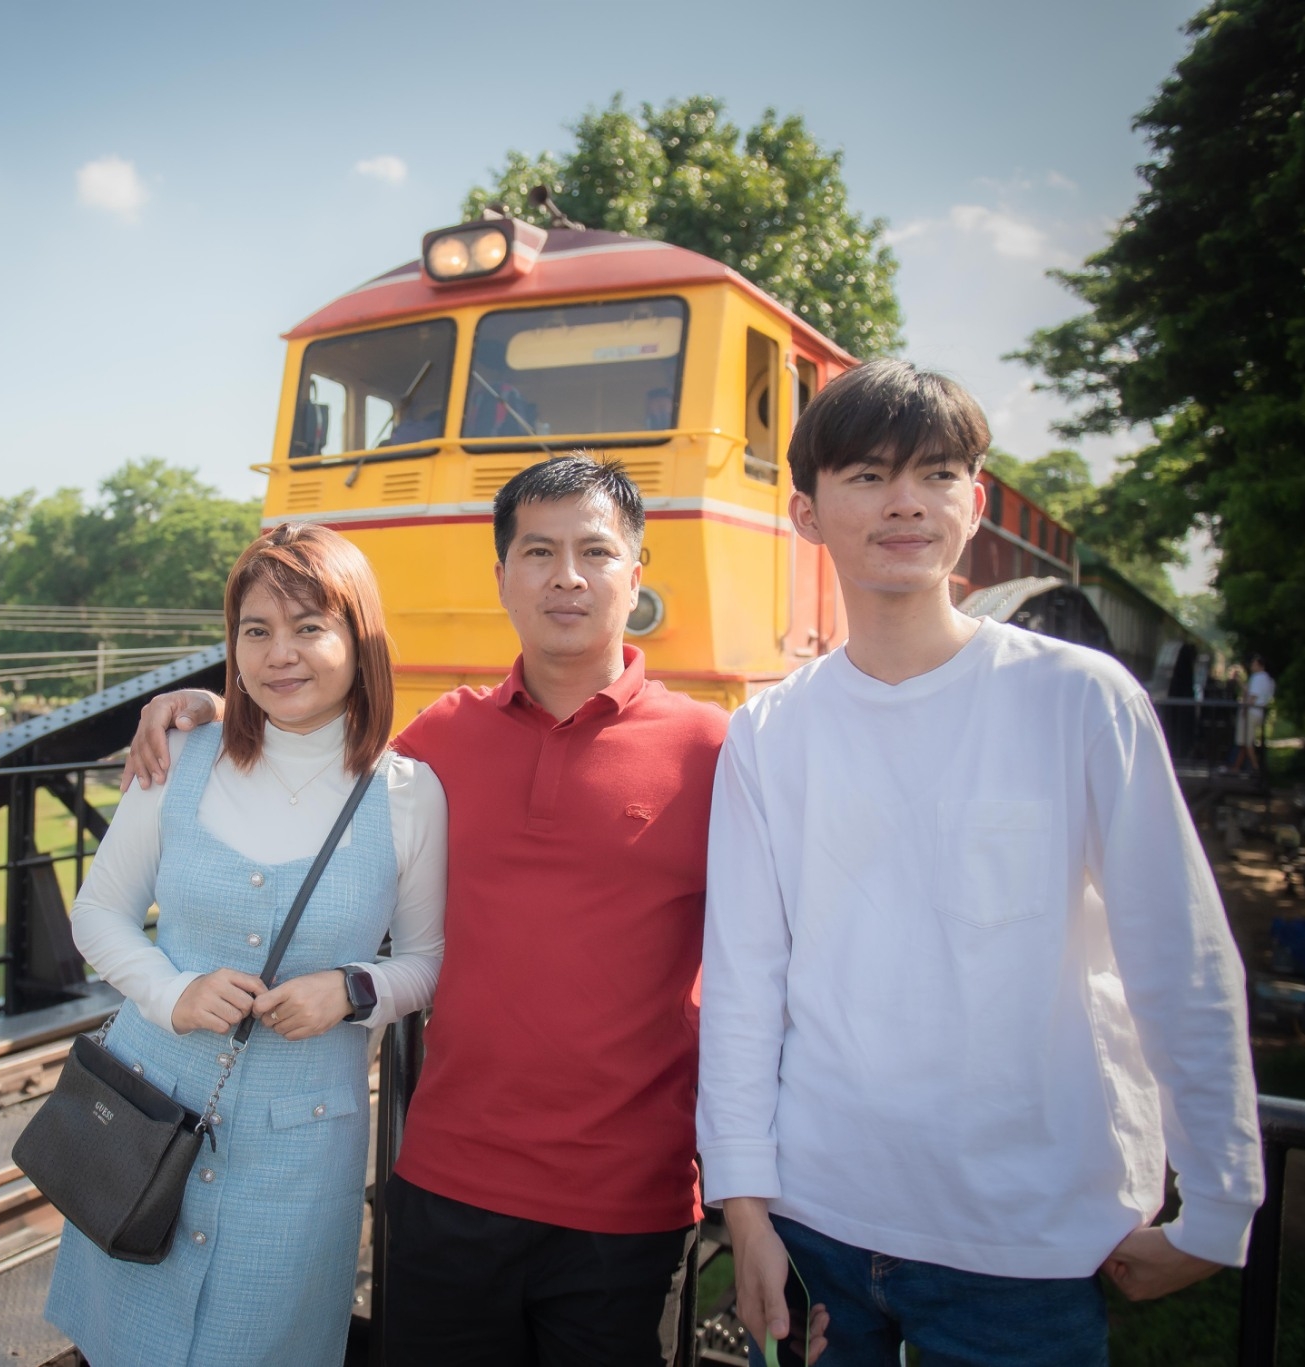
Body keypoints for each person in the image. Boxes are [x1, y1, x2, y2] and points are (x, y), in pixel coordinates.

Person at [125, 456, 818, 1366]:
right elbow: (317, 757)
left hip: (629, 1206)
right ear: (501, 576)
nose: (567, 576)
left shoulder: (714, 750)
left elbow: (768, 978)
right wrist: (216, 708)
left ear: (636, 572)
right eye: (538, 552)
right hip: (446, 1186)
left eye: (595, 552)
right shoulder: (439, 741)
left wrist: (756, 1200)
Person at [698, 360, 1263, 1367]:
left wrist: (1220, 1204)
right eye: (867, 475)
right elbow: (745, 981)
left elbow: (1176, 952)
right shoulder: (770, 732)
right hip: (818, 1221)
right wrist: (744, 1203)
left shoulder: (1079, 698)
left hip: (1027, 1239)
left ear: (976, 501)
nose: (905, 502)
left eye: (937, 473)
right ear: (805, 512)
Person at [43, 523, 448, 1367]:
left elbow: (426, 960)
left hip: (299, 1154)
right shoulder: (182, 755)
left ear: (360, 638)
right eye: (255, 629)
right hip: (146, 1120)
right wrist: (173, 992)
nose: (279, 653)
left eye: (309, 627)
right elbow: (100, 913)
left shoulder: (406, 794)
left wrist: (352, 990)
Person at [1232, 657, 1275, 775]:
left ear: (1260, 666)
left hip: (1251, 712)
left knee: (1247, 742)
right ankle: (1236, 767)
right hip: (1258, 713)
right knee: (1245, 742)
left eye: (1254, 664)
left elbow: (1253, 697)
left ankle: (1256, 768)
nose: (1251, 666)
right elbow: (1250, 691)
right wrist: (1239, 680)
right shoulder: (1269, 679)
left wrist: (1245, 709)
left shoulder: (1258, 678)